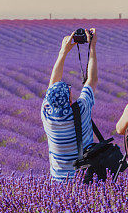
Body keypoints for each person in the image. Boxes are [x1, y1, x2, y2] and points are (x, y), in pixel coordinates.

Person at [41, 28, 98, 181]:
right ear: (70, 99)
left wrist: (62, 52)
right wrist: (92, 47)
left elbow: (52, 86)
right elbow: (91, 80)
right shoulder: (81, 109)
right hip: (84, 180)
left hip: (58, 184)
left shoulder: (47, 114)